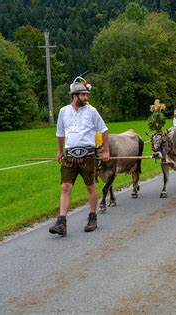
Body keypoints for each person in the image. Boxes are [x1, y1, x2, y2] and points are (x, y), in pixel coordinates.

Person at [49, 78, 110, 236]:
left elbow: (104, 131)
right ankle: (61, 222)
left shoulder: (92, 111)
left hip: (88, 155)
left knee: (90, 187)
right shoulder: (63, 112)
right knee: (65, 187)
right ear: (74, 96)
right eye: (83, 95)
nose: (86, 97)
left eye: (86, 94)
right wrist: (59, 151)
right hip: (69, 155)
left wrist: (106, 151)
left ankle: (92, 218)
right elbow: (60, 134)